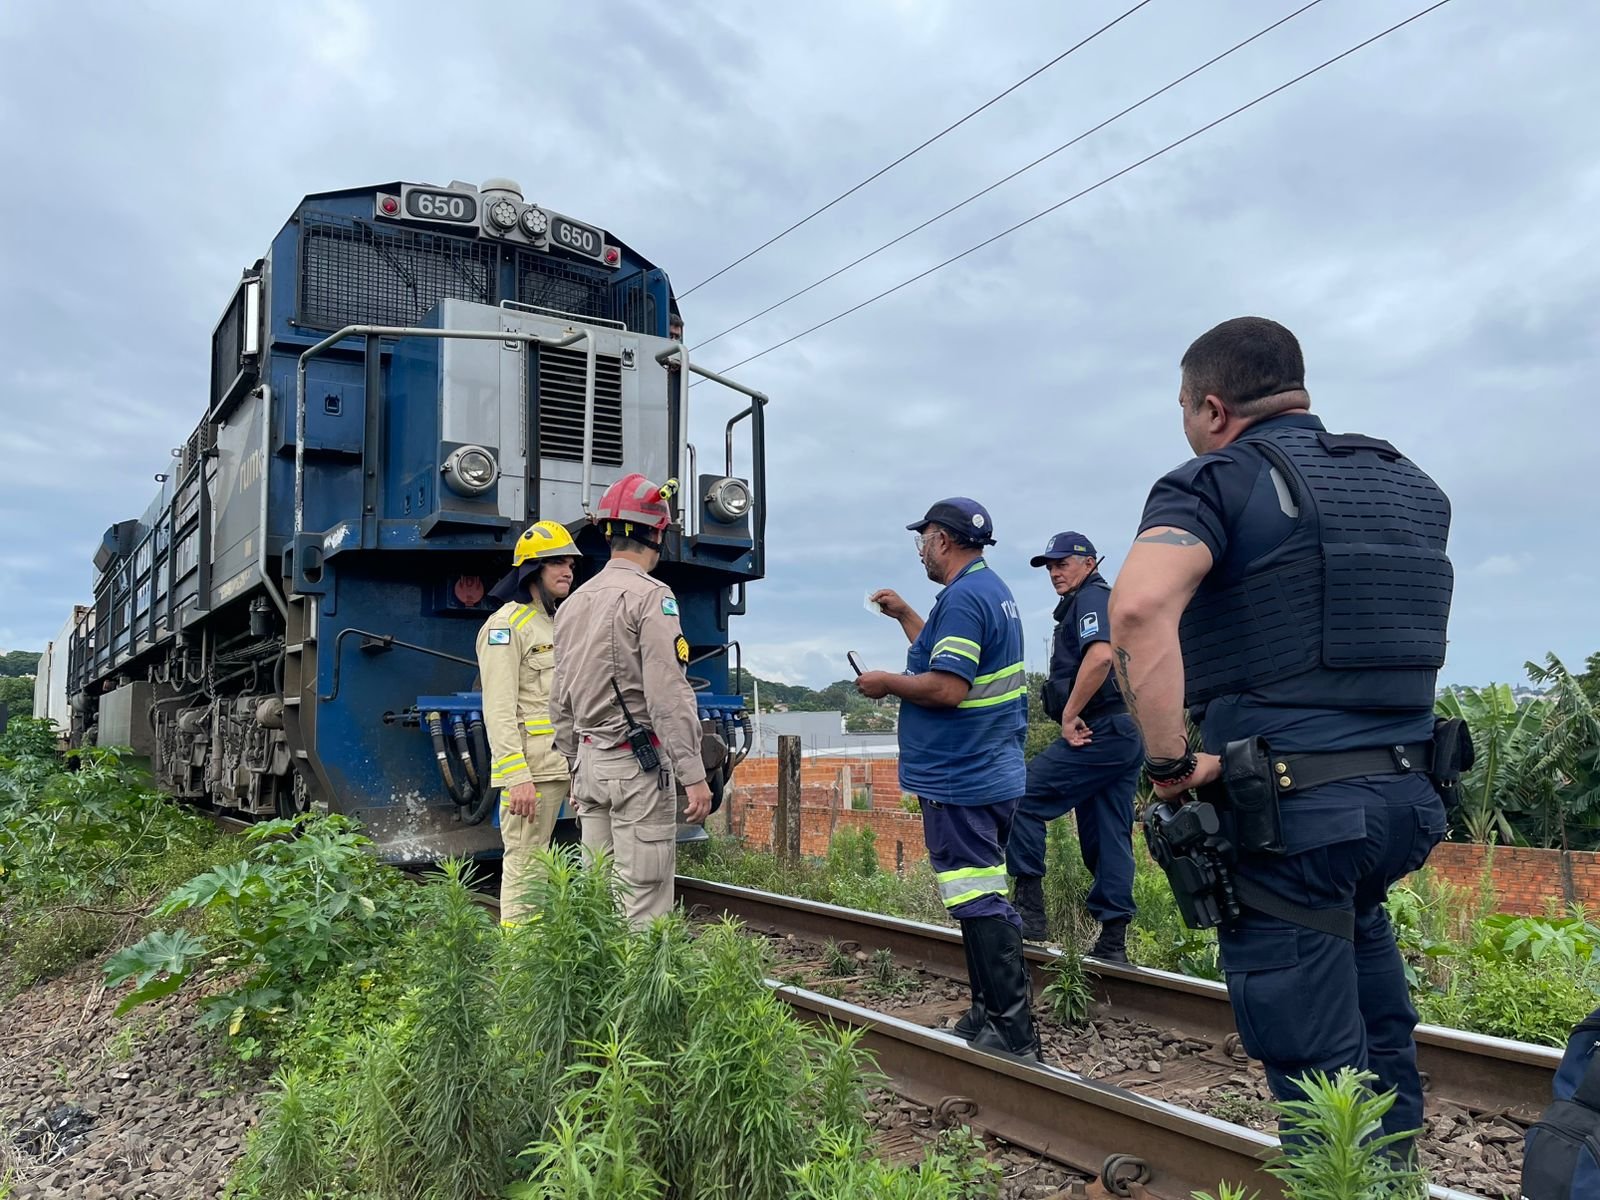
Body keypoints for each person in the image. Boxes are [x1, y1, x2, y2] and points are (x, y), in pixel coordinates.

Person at [1108, 316, 1454, 1148]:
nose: (1189, 427)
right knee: (1377, 1026)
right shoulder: (1408, 480)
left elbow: (1139, 608)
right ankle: (1395, 1174)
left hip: (1291, 815)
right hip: (1407, 799)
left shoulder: (1215, 480)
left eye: (1186, 410)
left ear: (1215, 408)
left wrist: (1168, 765)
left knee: (1316, 1067)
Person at [857, 498, 1041, 1063]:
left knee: (978, 895)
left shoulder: (964, 600)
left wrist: (887, 682)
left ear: (944, 539)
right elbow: (946, 658)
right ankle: (987, 1014)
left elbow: (947, 686)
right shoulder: (989, 592)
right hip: (987, 768)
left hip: (964, 774)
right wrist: (907, 615)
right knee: (973, 893)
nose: (922, 549)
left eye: (925, 538)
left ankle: (1014, 1031)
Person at [550, 473, 712, 926]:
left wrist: (574, 767)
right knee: (642, 900)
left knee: (599, 895)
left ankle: (599, 989)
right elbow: (668, 695)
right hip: (636, 768)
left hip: (590, 767)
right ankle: (639, 993)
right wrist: (693, 774)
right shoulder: (651, 597)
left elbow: (559, 700)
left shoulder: (573, 603)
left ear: (607, 533)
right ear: (656, 532)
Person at [1006, 532, 1143, 959]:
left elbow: (1100, 657)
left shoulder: (1092, 598)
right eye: (1049, 566)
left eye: (1062, 563)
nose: (1054, 572)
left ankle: (1029, 912)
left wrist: (1069, 715)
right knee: (1108, 835)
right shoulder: (1090, 600)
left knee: (1021, 796)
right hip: (1122, 733)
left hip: (1098, 730)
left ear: (1089, 562)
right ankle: (1113, 941)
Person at [477, 520, 581, 924]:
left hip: (559, 767)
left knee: (554, 866)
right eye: (556, 562)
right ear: (531, 570)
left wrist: (578, 771)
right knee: (524, 866)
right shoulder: (506, 627)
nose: (567, 570)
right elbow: (499, 710)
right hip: (530, 774)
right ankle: (520, 965)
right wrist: (516, 775)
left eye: (570, 563)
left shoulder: (556, 625)